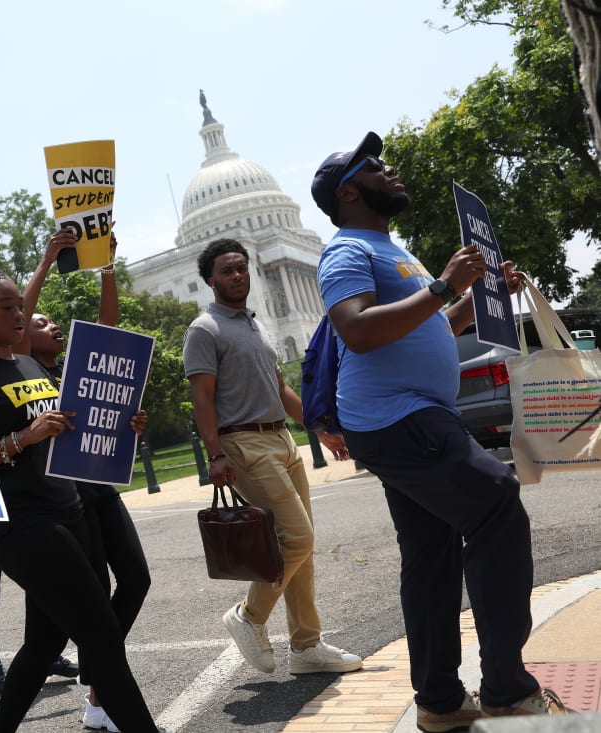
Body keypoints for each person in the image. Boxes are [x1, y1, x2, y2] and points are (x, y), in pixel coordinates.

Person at [311, 131, 569, 729]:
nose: (391, 169)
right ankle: (506, 688)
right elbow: (357, 330)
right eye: (377, 166)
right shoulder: (346, 252)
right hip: (399, 417)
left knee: (429, 556)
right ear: (349, 192)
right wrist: (446, 284)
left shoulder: (391, 249)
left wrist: (475, 300)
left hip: (411, 416)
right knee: (497, 501)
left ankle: (440, 703)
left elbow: (429, 323)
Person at [0, 268, 158, 733]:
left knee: (43, 642)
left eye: (21, 306)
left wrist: (121, 424)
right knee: (100, 636)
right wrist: (23, 437)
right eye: (7, 308)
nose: (20, 314)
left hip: (69, 510)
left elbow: (66, 434)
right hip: (21, 524)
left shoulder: (29, 365)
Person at [183, 238, 363, 678]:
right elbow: (202, 397)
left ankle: (306, 647)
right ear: (210, 279)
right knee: (296, 538)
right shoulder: (204, 330)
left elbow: (279, 387)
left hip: (281, 440)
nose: (238, 275)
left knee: (302, 547)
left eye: (242, 267)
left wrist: (318, 428)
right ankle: (248, 616)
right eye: (227, 270)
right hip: (244, 444)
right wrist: (215, 455)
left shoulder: (255, 325)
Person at [18, 229, 151, 731]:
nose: (52, 326)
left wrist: (108, 268)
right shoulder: (24, 370)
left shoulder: (74, 370)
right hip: (66, 503)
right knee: (91, 601)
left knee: (136, 578)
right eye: (41, 322)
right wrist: (49, 259)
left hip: (100, 490)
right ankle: (103, 697)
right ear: (20, 337)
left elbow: (109, 333)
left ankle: (97, 676)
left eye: (54, 321)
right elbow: (15, 321)